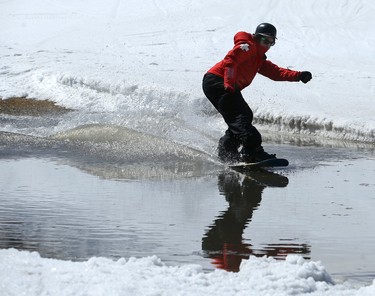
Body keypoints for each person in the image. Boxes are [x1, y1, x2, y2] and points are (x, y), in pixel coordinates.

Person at [202, 23, 312, 163]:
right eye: (264, 40)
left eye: (271, 43)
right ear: (256, 37)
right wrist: (229, 84)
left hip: (222, 84)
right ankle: (252, 152)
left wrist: (299, 75)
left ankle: (227, 151)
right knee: (240, 116)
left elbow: (276, 72)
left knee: (244, 116)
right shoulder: (247, 47)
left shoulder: (258, 59)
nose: (267, 45)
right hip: (218, 82)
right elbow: (231, 60)